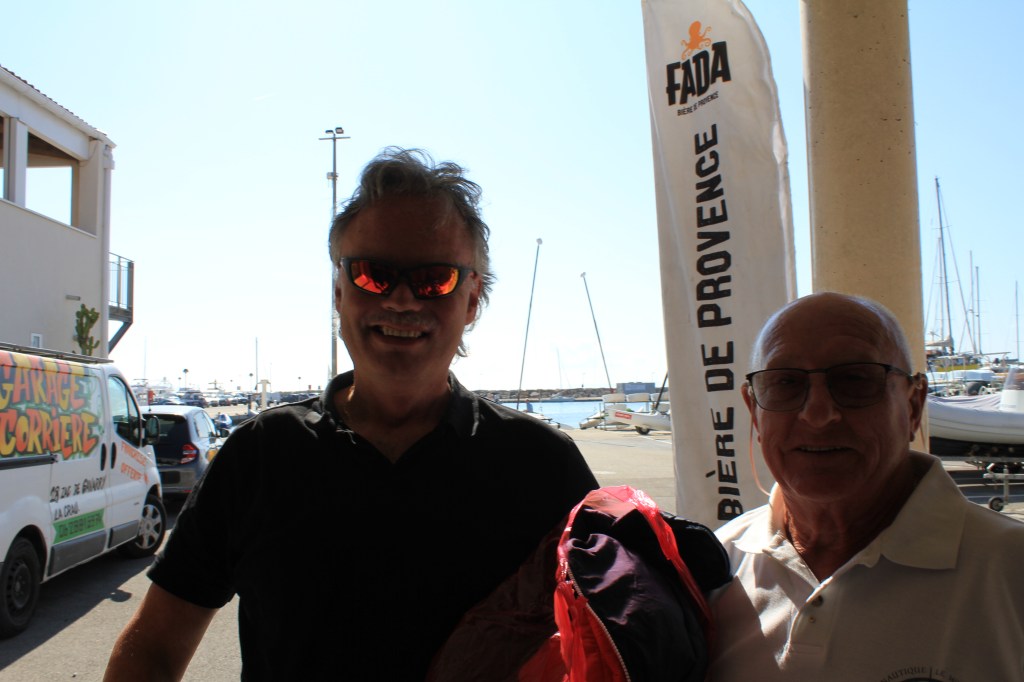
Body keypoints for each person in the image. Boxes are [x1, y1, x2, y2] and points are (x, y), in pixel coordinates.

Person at [104, 148, 598, 680]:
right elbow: (154, 648)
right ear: (339, 291)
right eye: (373, 275)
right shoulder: (260, 455)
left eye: (435, 279)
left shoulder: (543, 466)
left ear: (473, 299)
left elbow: (618, 643)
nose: (403, 300)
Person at [707, 292, 1024, 681]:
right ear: (755, 412)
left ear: (913, 406)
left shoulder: (1010, 569)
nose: (818, 414)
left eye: (855, 379)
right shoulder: (714, 569)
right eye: (786, 383)